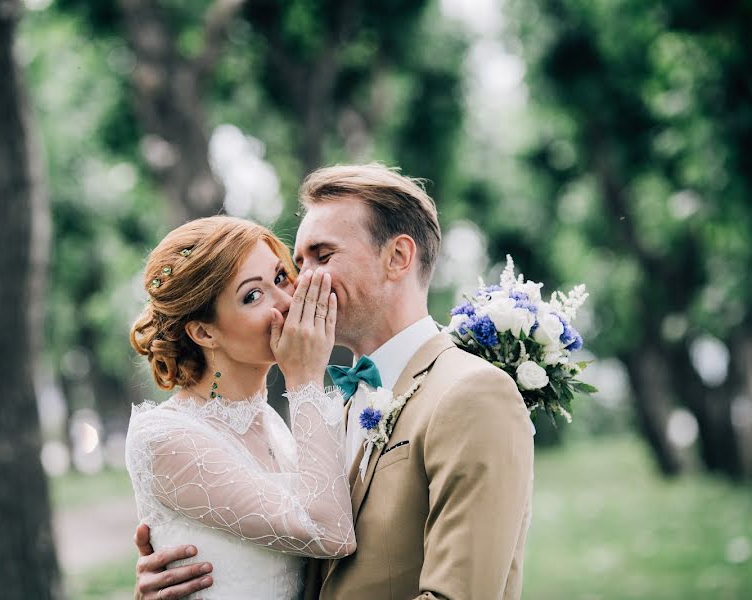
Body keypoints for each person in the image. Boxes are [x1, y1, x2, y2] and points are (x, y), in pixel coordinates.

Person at [134, 164, 535, 600]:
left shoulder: (470, 393)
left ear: (398, 257)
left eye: (321, 258)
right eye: (298, 264)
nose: (300, 285)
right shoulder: (332, 408)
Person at [126, 216, 356, 599]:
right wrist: (304, 378)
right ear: (204, 332)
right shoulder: (165, 439)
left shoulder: (272, 424)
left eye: (281, 278)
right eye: (253, 295)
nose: (285, 303)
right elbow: (330, 534)